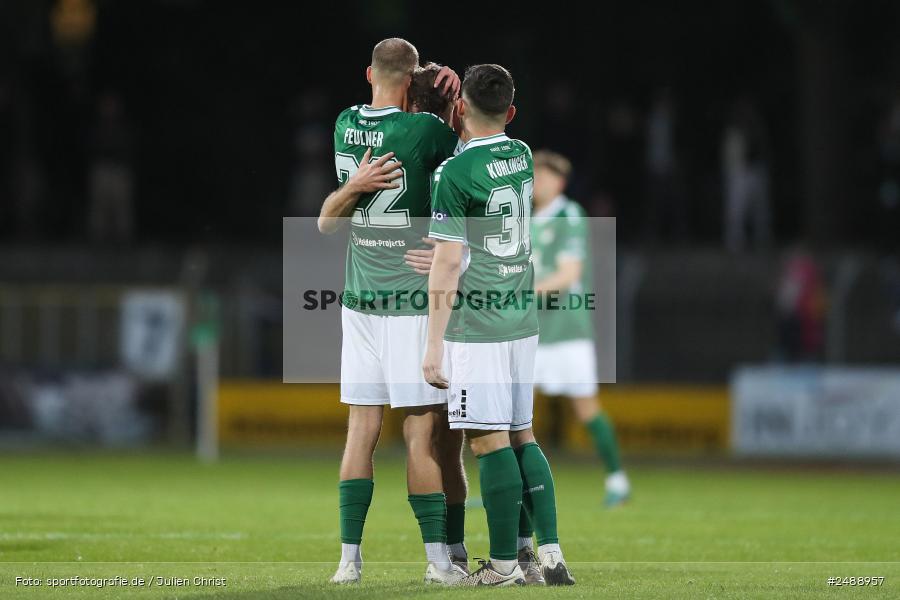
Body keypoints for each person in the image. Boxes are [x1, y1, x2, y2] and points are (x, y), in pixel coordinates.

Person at [317, 38, 466, 585]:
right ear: (411, 83)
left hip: (358, 301)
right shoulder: (424, 131)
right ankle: (437, 563)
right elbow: (467, 157)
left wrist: (354, 184)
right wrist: (448, 103)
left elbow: (330, 220)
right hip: (409, 301)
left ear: (368, 73)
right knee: (421, 435)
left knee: (361, 432)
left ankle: (348, 562)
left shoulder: (342, 123)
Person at [423, 64, 575, 586]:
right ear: (512, 112)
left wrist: (432, 346)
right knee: (523, 436)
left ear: (460, 108)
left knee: (487, 442)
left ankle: (506, 564)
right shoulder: (523, 154)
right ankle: (547, 555)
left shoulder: (453, 174)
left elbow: (446, 263)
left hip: (479, 323)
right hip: (521, 318)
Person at [529, 149, 631, 508]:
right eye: (534, 176)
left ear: (559, 182)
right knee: (513, 410)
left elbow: (569, 274)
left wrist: (521, 293)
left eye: (542, 177)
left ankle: (617, 479)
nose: (536, 183)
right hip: (532, 330)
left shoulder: (569, 215)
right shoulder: (528, 219)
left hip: (567, 328)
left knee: (585, 407)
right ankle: (517, 487)